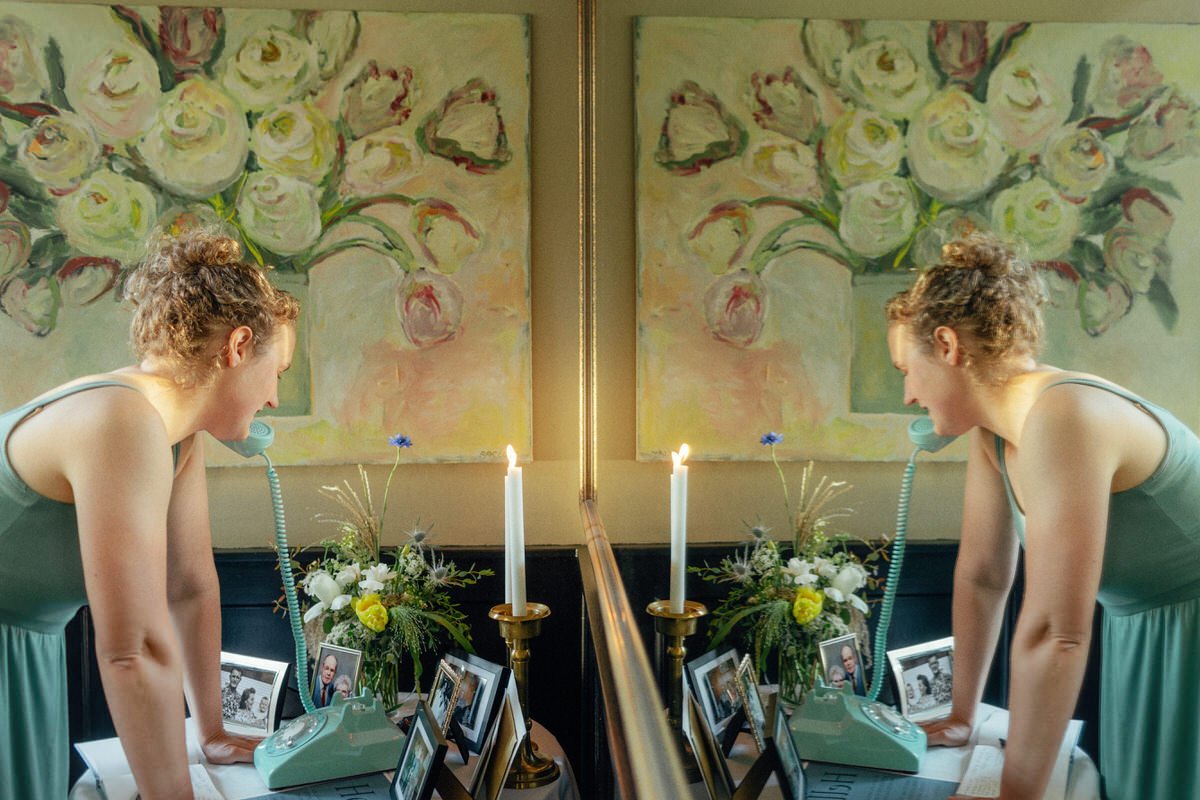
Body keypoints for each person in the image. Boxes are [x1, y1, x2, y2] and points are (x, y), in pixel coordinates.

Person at [885, 234, 1200, 800]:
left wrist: (1016, 794)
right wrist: (961, 713)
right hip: (1144, 635)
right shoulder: (995, 432)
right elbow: (981, 575)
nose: (908, 394)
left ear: (948, 345)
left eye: (906, 369)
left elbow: (1057, 633)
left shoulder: (1064, 414)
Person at [0, 229, 299, 799]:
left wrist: (209, 731)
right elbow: (130, 649)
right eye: (276, 372)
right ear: (237, 348)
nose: (273, 400)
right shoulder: (123, 419)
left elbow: (189, 585)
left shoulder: (175, 436)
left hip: (27, 649)